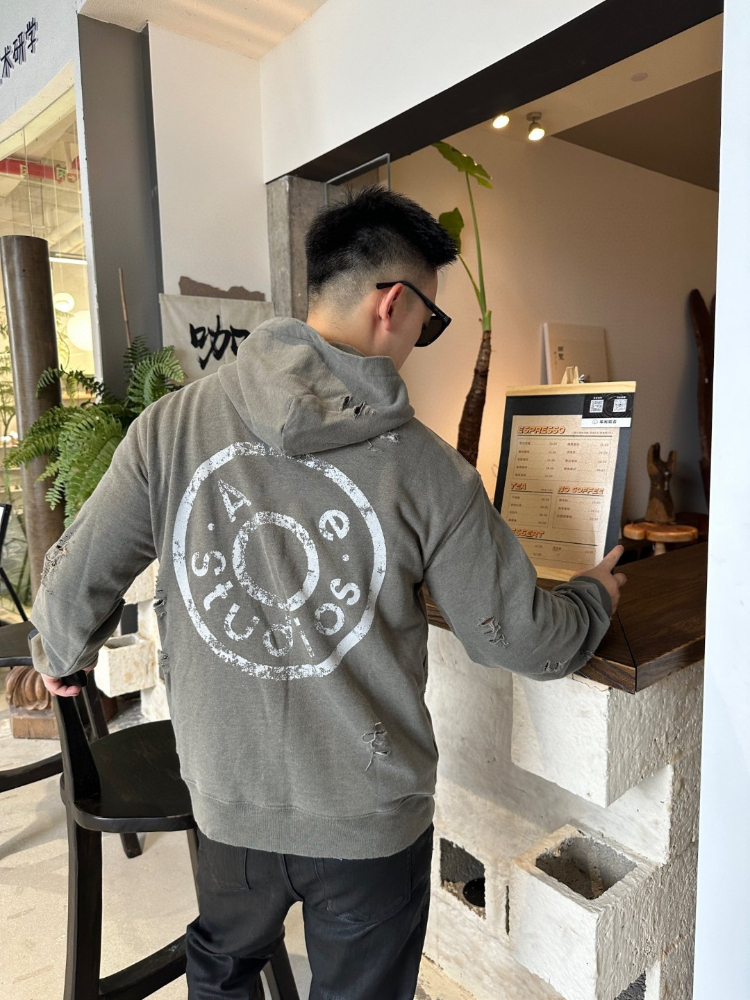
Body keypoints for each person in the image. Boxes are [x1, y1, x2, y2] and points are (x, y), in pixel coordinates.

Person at [30, 186, 626, 1000]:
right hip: (367, 818)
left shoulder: (171, 428)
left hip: (228, 798)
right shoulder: (431, 472)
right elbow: (520, 639)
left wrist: (58, 655)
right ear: (393, 303)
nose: (422, 340)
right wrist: (594, 595)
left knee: (224, 968)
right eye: (430, 322)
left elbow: (70, 592)